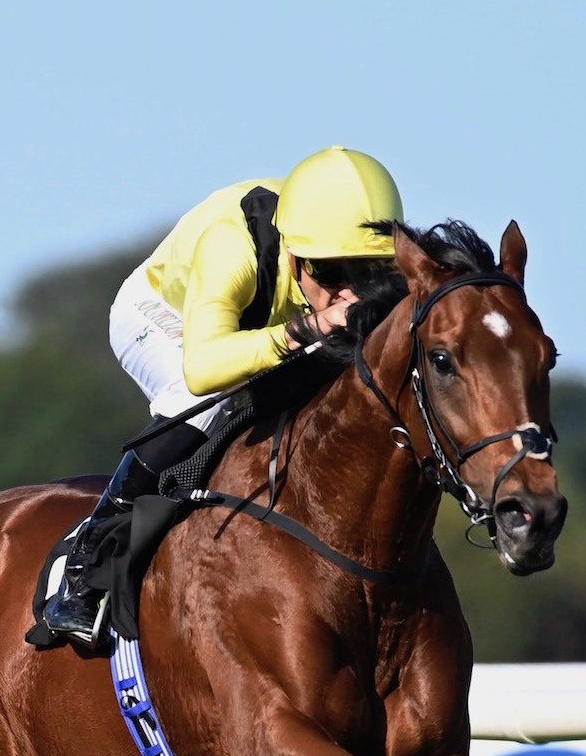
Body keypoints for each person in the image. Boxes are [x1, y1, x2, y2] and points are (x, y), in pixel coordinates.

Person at [38, 146, 404, 649]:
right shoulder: (232, 246)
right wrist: (308, 328)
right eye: (332, 273)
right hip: (161, 315)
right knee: (210, 397)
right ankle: (86, 560)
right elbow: (205, 367)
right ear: (296, 254)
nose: (350, 293)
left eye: (368, 273)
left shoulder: (356, 239)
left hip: (264, 325)